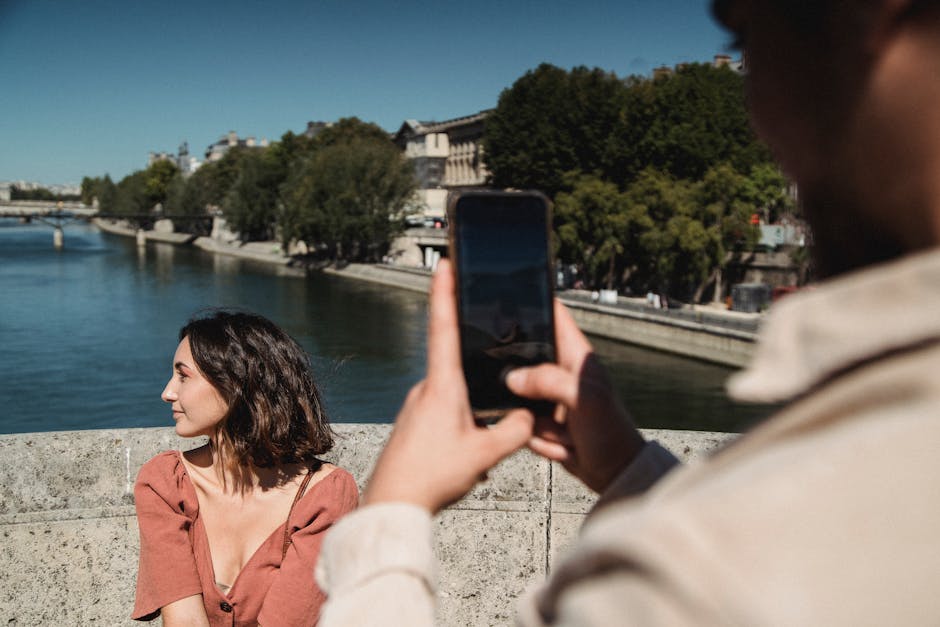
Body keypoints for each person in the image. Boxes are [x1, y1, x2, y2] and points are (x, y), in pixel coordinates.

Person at [315, 0, 940, 624]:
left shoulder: (689, 581)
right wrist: (628, 469)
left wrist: (389, 515)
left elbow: (722, 568)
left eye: (745, 33)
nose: (755, 109)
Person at [132, 310, 358, 626]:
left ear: (236, 383)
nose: (168, 392)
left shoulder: (324, 496)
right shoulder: (165, 483)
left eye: (183, 376)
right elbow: (184, 621)